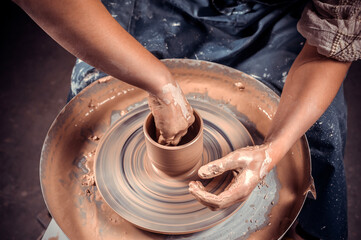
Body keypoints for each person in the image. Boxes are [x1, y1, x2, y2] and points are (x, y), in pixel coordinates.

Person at [14, 0, 360, 239]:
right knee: (91, 100)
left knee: (314, 136)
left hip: (281, 16)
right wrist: (159, 83)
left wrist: (272, 149)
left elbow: (330, 44)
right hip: (149, 7)